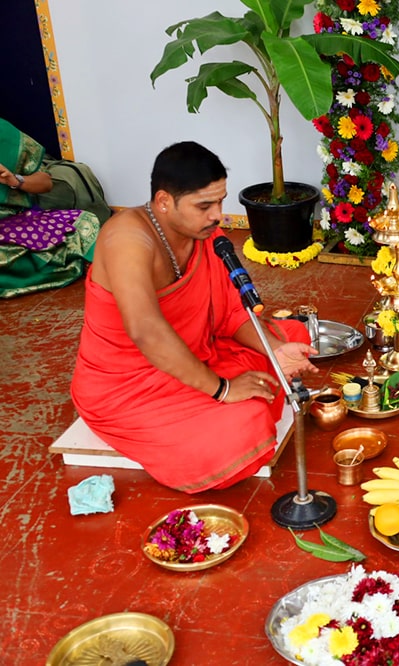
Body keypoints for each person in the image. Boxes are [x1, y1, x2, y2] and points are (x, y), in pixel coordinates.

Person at [71, 141, 318, 493]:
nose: (217, 215)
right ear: (163, 202)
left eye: (220, 201)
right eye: (205, 205)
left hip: (195, 355)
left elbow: (232, 311)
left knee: (291, 336)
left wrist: (274, 349)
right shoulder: (126, 239)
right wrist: (223, 389)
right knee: (244, 425)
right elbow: (146, 331)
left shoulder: (204, 235)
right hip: (129, 388)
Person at [0, 117, 101, 298]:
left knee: (84, 223)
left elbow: (45, 183)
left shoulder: (4, 133)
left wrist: (15, 180)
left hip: (13, 223)